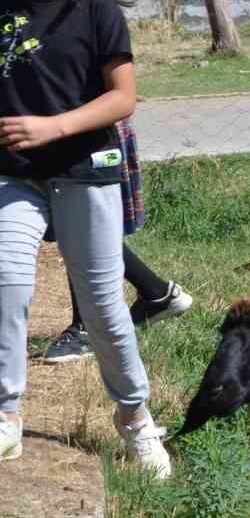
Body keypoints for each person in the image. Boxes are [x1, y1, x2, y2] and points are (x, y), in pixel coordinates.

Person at [0, 0, 170, 474]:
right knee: (7, 282)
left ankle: (136, 419)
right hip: (13, 178)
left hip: (85, 173)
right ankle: (6, 415)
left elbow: (123, 98)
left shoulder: (95, 9)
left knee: (101, 307)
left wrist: (54, 127)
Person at [41, 119, 193, 363]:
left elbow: (120, 95)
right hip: (54, 126)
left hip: (82, 130)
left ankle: (87, 328)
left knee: (78, 219)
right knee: (72, 222)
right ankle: (156, 293)